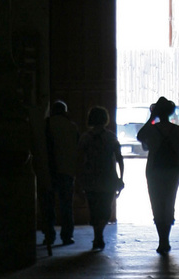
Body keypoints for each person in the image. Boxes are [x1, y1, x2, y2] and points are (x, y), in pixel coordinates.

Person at [137, 96, 179, 254]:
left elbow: (140, 136)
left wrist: (151, 118)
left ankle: (162, 239)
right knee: (169, 202)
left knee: (157, 203)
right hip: (173, 170)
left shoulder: (152, 130)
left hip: (154, 170)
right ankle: (165, 239)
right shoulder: (178, 131)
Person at [77, 105, 124, 251]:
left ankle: (97, 236)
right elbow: (119, 158)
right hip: (108, 177)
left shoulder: (85, 138)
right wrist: (121, 177)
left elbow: (79, 159)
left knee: (94, 208)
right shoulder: (110, 137)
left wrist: (79, 179)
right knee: (105, 209)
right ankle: (99, 235)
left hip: (91, 178)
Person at [43, 101, 80, 246]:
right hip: (67, 170)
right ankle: (67, 236)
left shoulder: (46, 125)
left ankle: (49, 235)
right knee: (66, 205)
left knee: (48, 205)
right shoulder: (71, 126)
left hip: (49, 170)